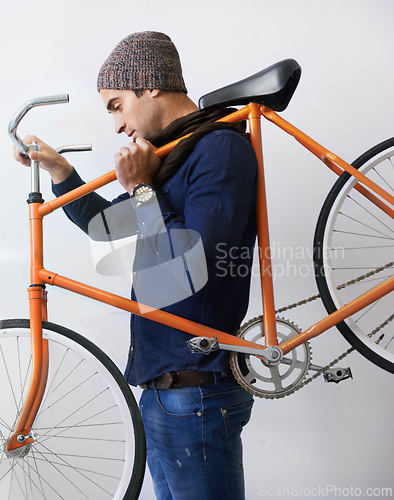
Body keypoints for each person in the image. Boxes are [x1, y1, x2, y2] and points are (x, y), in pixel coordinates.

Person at [14, 31, 258, 500]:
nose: (117, 125)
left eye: (116, 105)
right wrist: (62, 171)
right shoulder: (173, 157)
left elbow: (190, 267)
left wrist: (141, 190)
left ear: (149, 86)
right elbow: (111, 230)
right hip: (163, 396)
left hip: (198, 395)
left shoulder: (218, 149)